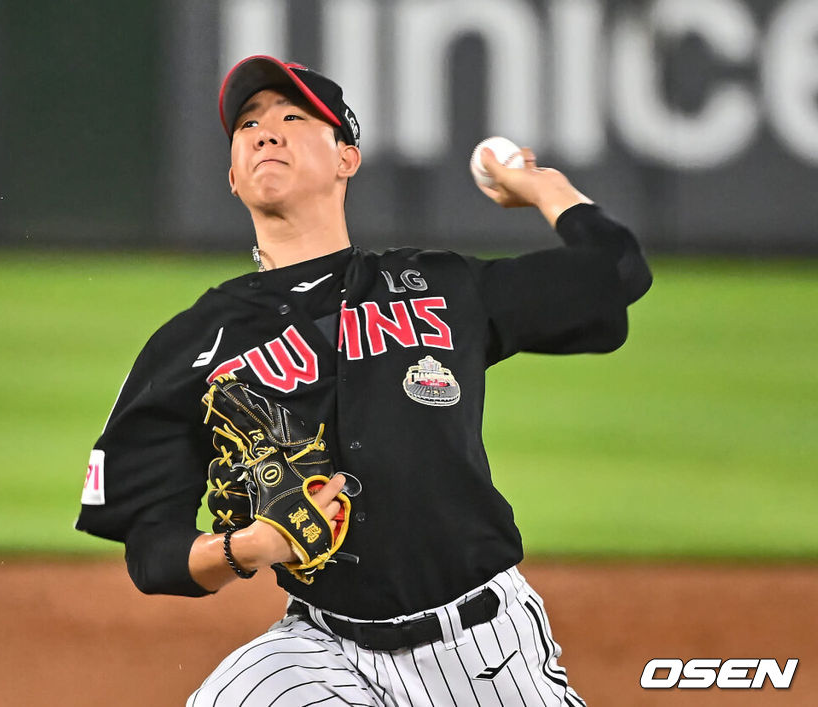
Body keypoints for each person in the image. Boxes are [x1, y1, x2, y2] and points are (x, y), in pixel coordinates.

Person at [75, 55, 652, 706]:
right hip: (318, 651)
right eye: (248, 126)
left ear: (346, 157)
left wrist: (542, 187)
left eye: (293, 118)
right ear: (233, 175)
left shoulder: (441, 286)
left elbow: (618, 272)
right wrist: (246, 546)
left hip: (486, 652)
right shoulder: (193, 346)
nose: (266, 132)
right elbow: (152, 549)